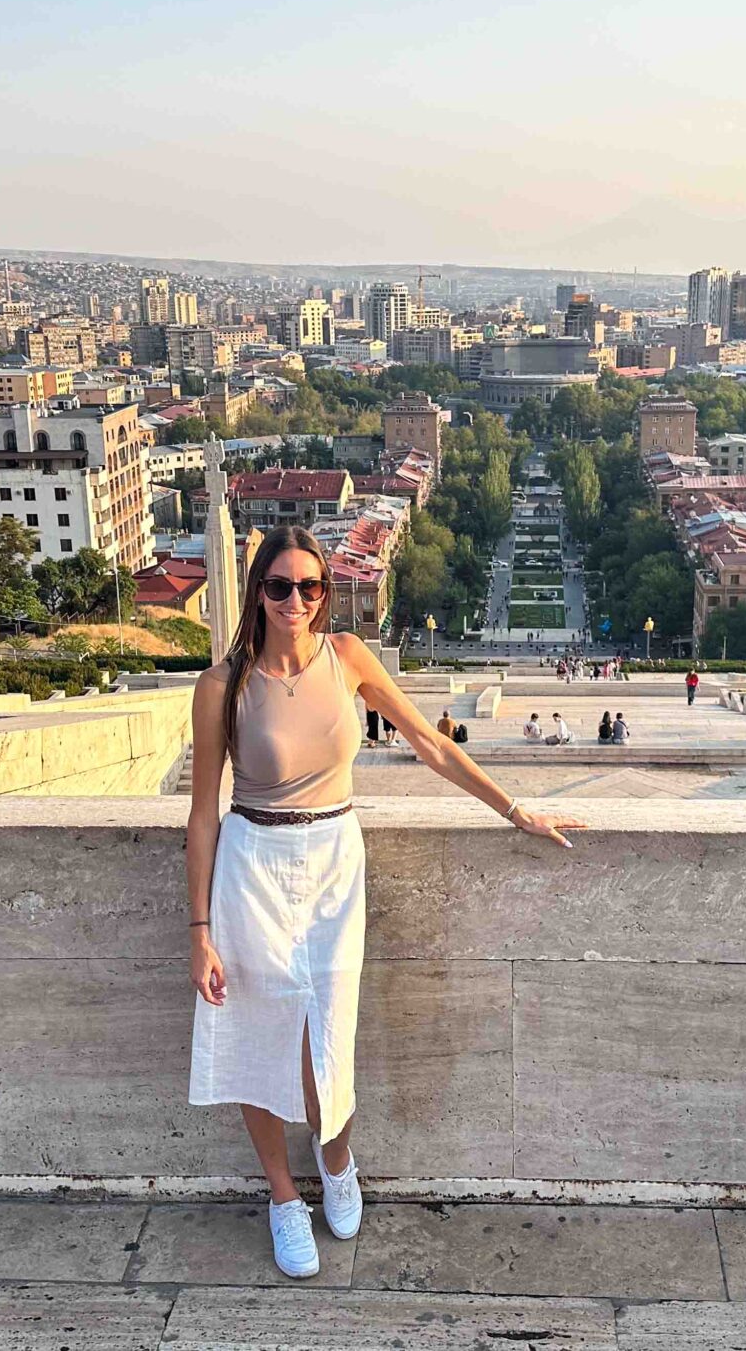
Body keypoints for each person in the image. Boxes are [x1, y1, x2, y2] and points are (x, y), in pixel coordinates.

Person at [186, 525, 583, 1279]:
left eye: (308, 587)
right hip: (253, 865)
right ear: (257, 593)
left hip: (333, 859)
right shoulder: (222, 685)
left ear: (324, 593)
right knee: (253, 1035)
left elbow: (431, 746)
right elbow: (203, 812)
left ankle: (336, 1157)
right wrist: (199, 929)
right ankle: (281, 1196)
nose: (294, 601)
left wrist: (514, 810)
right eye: (278, 587)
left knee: (328, 1029)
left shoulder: (348, 659)